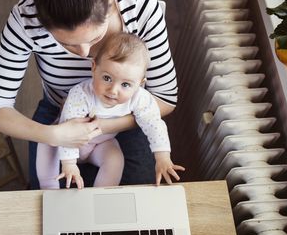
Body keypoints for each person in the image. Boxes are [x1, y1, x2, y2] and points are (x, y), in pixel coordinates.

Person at [0, 0, 178, 188]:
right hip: (58, 114)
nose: (86, 55)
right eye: (67, 44)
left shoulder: (139, 6)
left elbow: (165, 98)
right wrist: (54, 135)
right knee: (47, 199)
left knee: (138, 198)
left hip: (127, 113)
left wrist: (102, 126)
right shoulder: (25, 20)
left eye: (96, 37)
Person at [36, 33, 184, 189]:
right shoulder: (81, 94)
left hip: (100, 144)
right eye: (107, 78)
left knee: (115, 159)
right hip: (66, 140)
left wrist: (162, 157)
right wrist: (69, 164)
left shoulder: (140, 98)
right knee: (46, 143)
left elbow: (154, 124)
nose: (113, 90)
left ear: (140, 84)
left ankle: (102, 193)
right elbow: (68, 128)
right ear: (94, 68)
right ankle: (48, 187)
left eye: (125, 85)